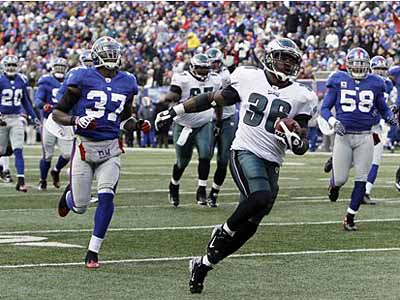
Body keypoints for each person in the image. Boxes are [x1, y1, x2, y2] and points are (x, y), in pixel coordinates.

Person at [156, 38, 317, 294]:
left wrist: (296, 140)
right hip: (245, 151)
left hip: (273, 160)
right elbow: (212, 99)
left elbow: (303, 143)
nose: (287, 63)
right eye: (282, 57)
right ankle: (223, 230)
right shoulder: (248, 77)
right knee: (259, 197)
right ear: (269, 57)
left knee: (251, 225)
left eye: (291, 60)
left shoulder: (302, 96)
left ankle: (203, 265)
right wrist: (174, 111)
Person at [52, 36, 150, 268]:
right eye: (106, 52)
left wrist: (137, 125)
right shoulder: (82, 77)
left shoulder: (128, 81)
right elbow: (58, 113)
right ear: (96, 56)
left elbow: (125, 118)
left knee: (107, 196)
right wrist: (77, 119)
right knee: (80, 206)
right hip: (85, 147)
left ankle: (93, 251)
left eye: (114, 52)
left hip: (111, 149)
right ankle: (69, 197)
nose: (111, 57)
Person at [320, 48, 396, 231]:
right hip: (343, 136)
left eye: (362, 65)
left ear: (367, 66)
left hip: (365, 136)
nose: (359, 68)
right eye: (355, 64)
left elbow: (383, 107)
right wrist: (332, 120)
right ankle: (334, 186)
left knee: (361, 179)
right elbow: (325, 108)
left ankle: (350, 217)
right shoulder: (338, 79)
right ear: (348, 64)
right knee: (340, 178)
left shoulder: (376, 83)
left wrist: (390, 117)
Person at [160, 53, 222, 207]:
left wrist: (219, 121)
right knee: (182, 161)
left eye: (205, 68)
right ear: (193, 68)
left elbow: (219, 101)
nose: (203, 71)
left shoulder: (215, 79)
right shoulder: (183, 78)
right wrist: (170, 98)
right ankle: (174, 184)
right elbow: (172, 94)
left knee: (206, 155)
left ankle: (201, 189)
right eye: (200, 68)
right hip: (184, 124)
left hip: (204, 123)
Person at [0, 55, 39, 192]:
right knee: (2, 151)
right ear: (4, 66)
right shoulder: (0, 80)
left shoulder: (21, 80)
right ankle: (2, 169)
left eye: (13, 65)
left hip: (16, 118)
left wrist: (34, 117)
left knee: (18, 150)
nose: (11, 68)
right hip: (2, 119)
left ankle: (21, 181)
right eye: (8, 65)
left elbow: (26, 102)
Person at [205, 47, 237, 207]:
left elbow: (220, 101)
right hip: (211, 119)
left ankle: (214, 193)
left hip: (227, 118)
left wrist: (218, 121)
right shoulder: (206, 76)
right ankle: (201, 188)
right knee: (205, 155)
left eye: (217, 62)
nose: (215, 65)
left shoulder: (225, 77)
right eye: (212, 63)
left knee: (223, 159)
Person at [35, 57, 71, 190]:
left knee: (67, 154)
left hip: (65, 121)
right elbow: (38, 100)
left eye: (62, 67)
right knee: (47, 155)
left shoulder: (70, 81)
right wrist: (44, 105)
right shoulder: (46, 81)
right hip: (49, 121)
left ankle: (56, 170)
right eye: (57, 67)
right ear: (52, 68)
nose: (60, 70)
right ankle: (42, 180)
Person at [363, 56, 394, 204]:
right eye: (377, 69)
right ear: (370, 69)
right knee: (349, 161)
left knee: (376, 160)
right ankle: (335, 179)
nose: (381, 72)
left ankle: (366, 192)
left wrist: (391, 109)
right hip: (359, 127)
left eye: (383, 69)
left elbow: (390, 104)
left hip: (376, 127)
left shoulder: (389, 85)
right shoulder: (362, 82)